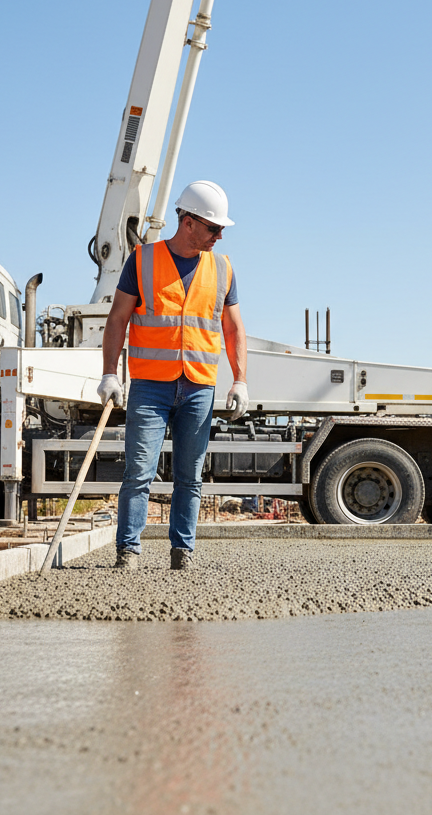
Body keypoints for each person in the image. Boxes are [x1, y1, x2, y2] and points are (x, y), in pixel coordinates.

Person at [98, 180, 248, 571]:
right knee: (139, 472)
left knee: (190, 476)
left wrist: (240, 380)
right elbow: (117, 319)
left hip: (198, 385)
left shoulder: (223, 268)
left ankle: (183, 553)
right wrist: (110, 374)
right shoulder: (142, 260)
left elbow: (233, 329)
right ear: (188, 221)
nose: (219, 236)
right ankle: (128, 552)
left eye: (221, 229)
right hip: (150, 385)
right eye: (213, 228)